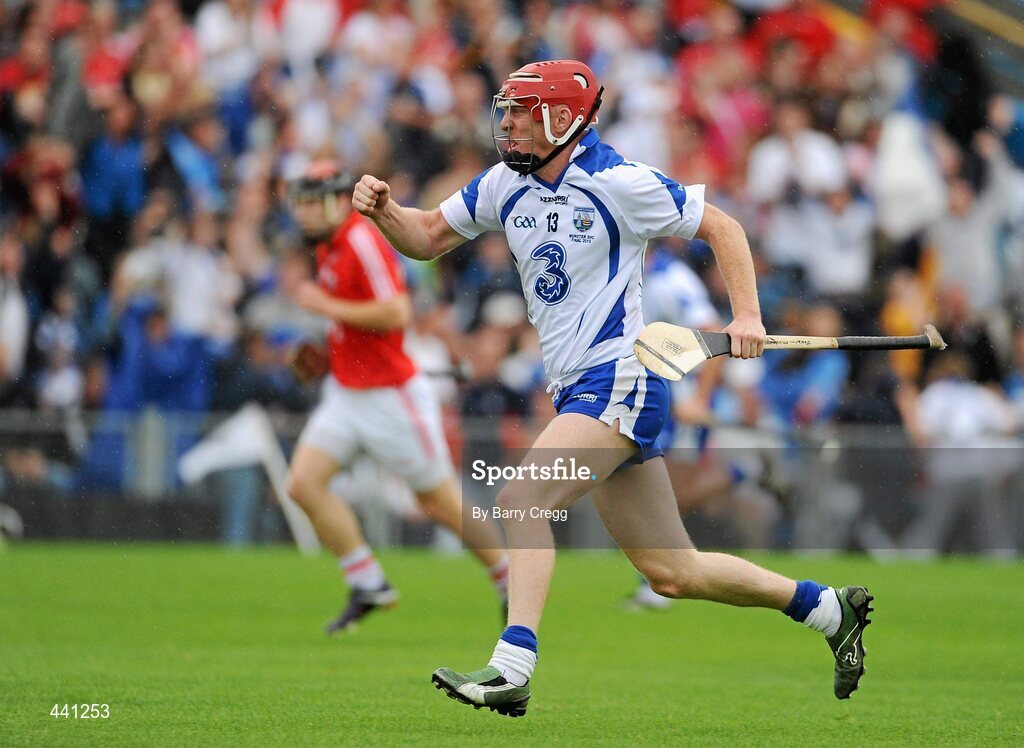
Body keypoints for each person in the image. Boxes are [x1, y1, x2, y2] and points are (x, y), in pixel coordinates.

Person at [352, 60, 872, 715]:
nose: (506, 122)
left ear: (563, 120)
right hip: (578, 389)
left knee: (520, 501)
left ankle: (511, 667)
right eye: (506, 109)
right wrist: (384, 211)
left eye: (521, 111)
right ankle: (828, 609)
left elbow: (724, 227)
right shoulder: (501, 185)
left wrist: (747, 315)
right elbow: (426, 236)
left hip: (621, 376)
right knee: (673, 572)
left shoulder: (616, 181)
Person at [284, 163, 509, 634]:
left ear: (335, 201)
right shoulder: (326, 246)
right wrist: (326, 355)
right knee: (303, 483)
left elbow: (395, 312)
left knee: (439, 503)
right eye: (299, 203)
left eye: (311, 202)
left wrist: (325, 307)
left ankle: (509, 575)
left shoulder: (360, 240)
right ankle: (367, 582)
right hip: (347, 393)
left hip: (391, 397)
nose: (303, 214)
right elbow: (357, 325)